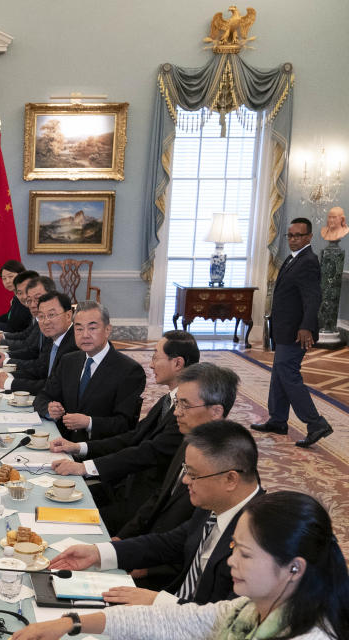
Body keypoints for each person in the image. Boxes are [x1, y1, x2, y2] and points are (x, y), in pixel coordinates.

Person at [12, 491, 349, 640]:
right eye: (234, 548)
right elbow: (177, 620)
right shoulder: (251, 608)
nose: (231, 561)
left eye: (245, 555)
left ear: (294, 567)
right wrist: (70, 623)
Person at [50, 420, 263, 607]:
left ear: (230, 479)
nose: (186, 481)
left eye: (194, 475)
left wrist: (156, 601)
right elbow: (169, 543)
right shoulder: (217, 504)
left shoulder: (264, 538)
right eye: (186, 471)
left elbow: (230, 619)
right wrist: (98, 553)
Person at [49, 330, 199, 532]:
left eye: (155, 356)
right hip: (123, 486)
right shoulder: (168, 400)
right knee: (51, 499)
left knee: (64, 519)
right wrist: (79, 447)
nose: (151, 364)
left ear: (178, 363)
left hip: (141, 505)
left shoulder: (187, 413)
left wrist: (85, 468)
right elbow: (134, 436)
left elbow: (146, 452)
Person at [116, 363, 239, 587]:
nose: (176, 412)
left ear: (216, 412)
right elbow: (159, 497)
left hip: (170, 579)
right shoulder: (190, 441)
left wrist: (148, 569)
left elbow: (202, 545)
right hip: (152, 550)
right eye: (177, 403)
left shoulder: (226, 467)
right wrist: (121, 539)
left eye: (184, 405)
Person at [252, 217, 333, 448]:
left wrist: (306, 327)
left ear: (308, 237)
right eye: (290, 235)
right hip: (285, 329)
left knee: (288, 374)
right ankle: (278, 420)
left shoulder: (308, 261)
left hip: (297, 331)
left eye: (298, 235)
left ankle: (316, 423)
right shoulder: (292, 258)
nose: (293, 239)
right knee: (279, 373)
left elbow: (313, 297)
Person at [32, 301, 145, 442]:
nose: (85, 335)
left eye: (92, 328)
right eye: (79, 329)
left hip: (99, 451)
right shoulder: (68, 361)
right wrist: (49, 408)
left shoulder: (129, 371)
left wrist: (89, 422)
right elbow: (43, 396)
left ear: (108, 330)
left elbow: (125, 424)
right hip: (61, 442)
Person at [0, 291, 78, 394]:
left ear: (68, 315)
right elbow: (40, 369)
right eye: (41, 316)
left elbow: (56, 386)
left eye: (51, 315)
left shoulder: (75, 345)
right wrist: (8, 375)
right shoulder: (53, 337)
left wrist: (10, 383)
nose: (45, 322)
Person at [0, 272, 48, 352]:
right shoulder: (28, 306)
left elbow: (29, 345)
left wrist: (0, 342)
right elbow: (25, 335)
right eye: (19, 293)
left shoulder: (47, 317)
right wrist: (2, 336)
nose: (24, 297)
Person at [0, 260, 32, 332]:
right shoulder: (16, 297)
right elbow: (9, 317)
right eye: (4, 278)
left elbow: (15, 328)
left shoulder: (26, 298)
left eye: (10, 276)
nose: (7, 281)